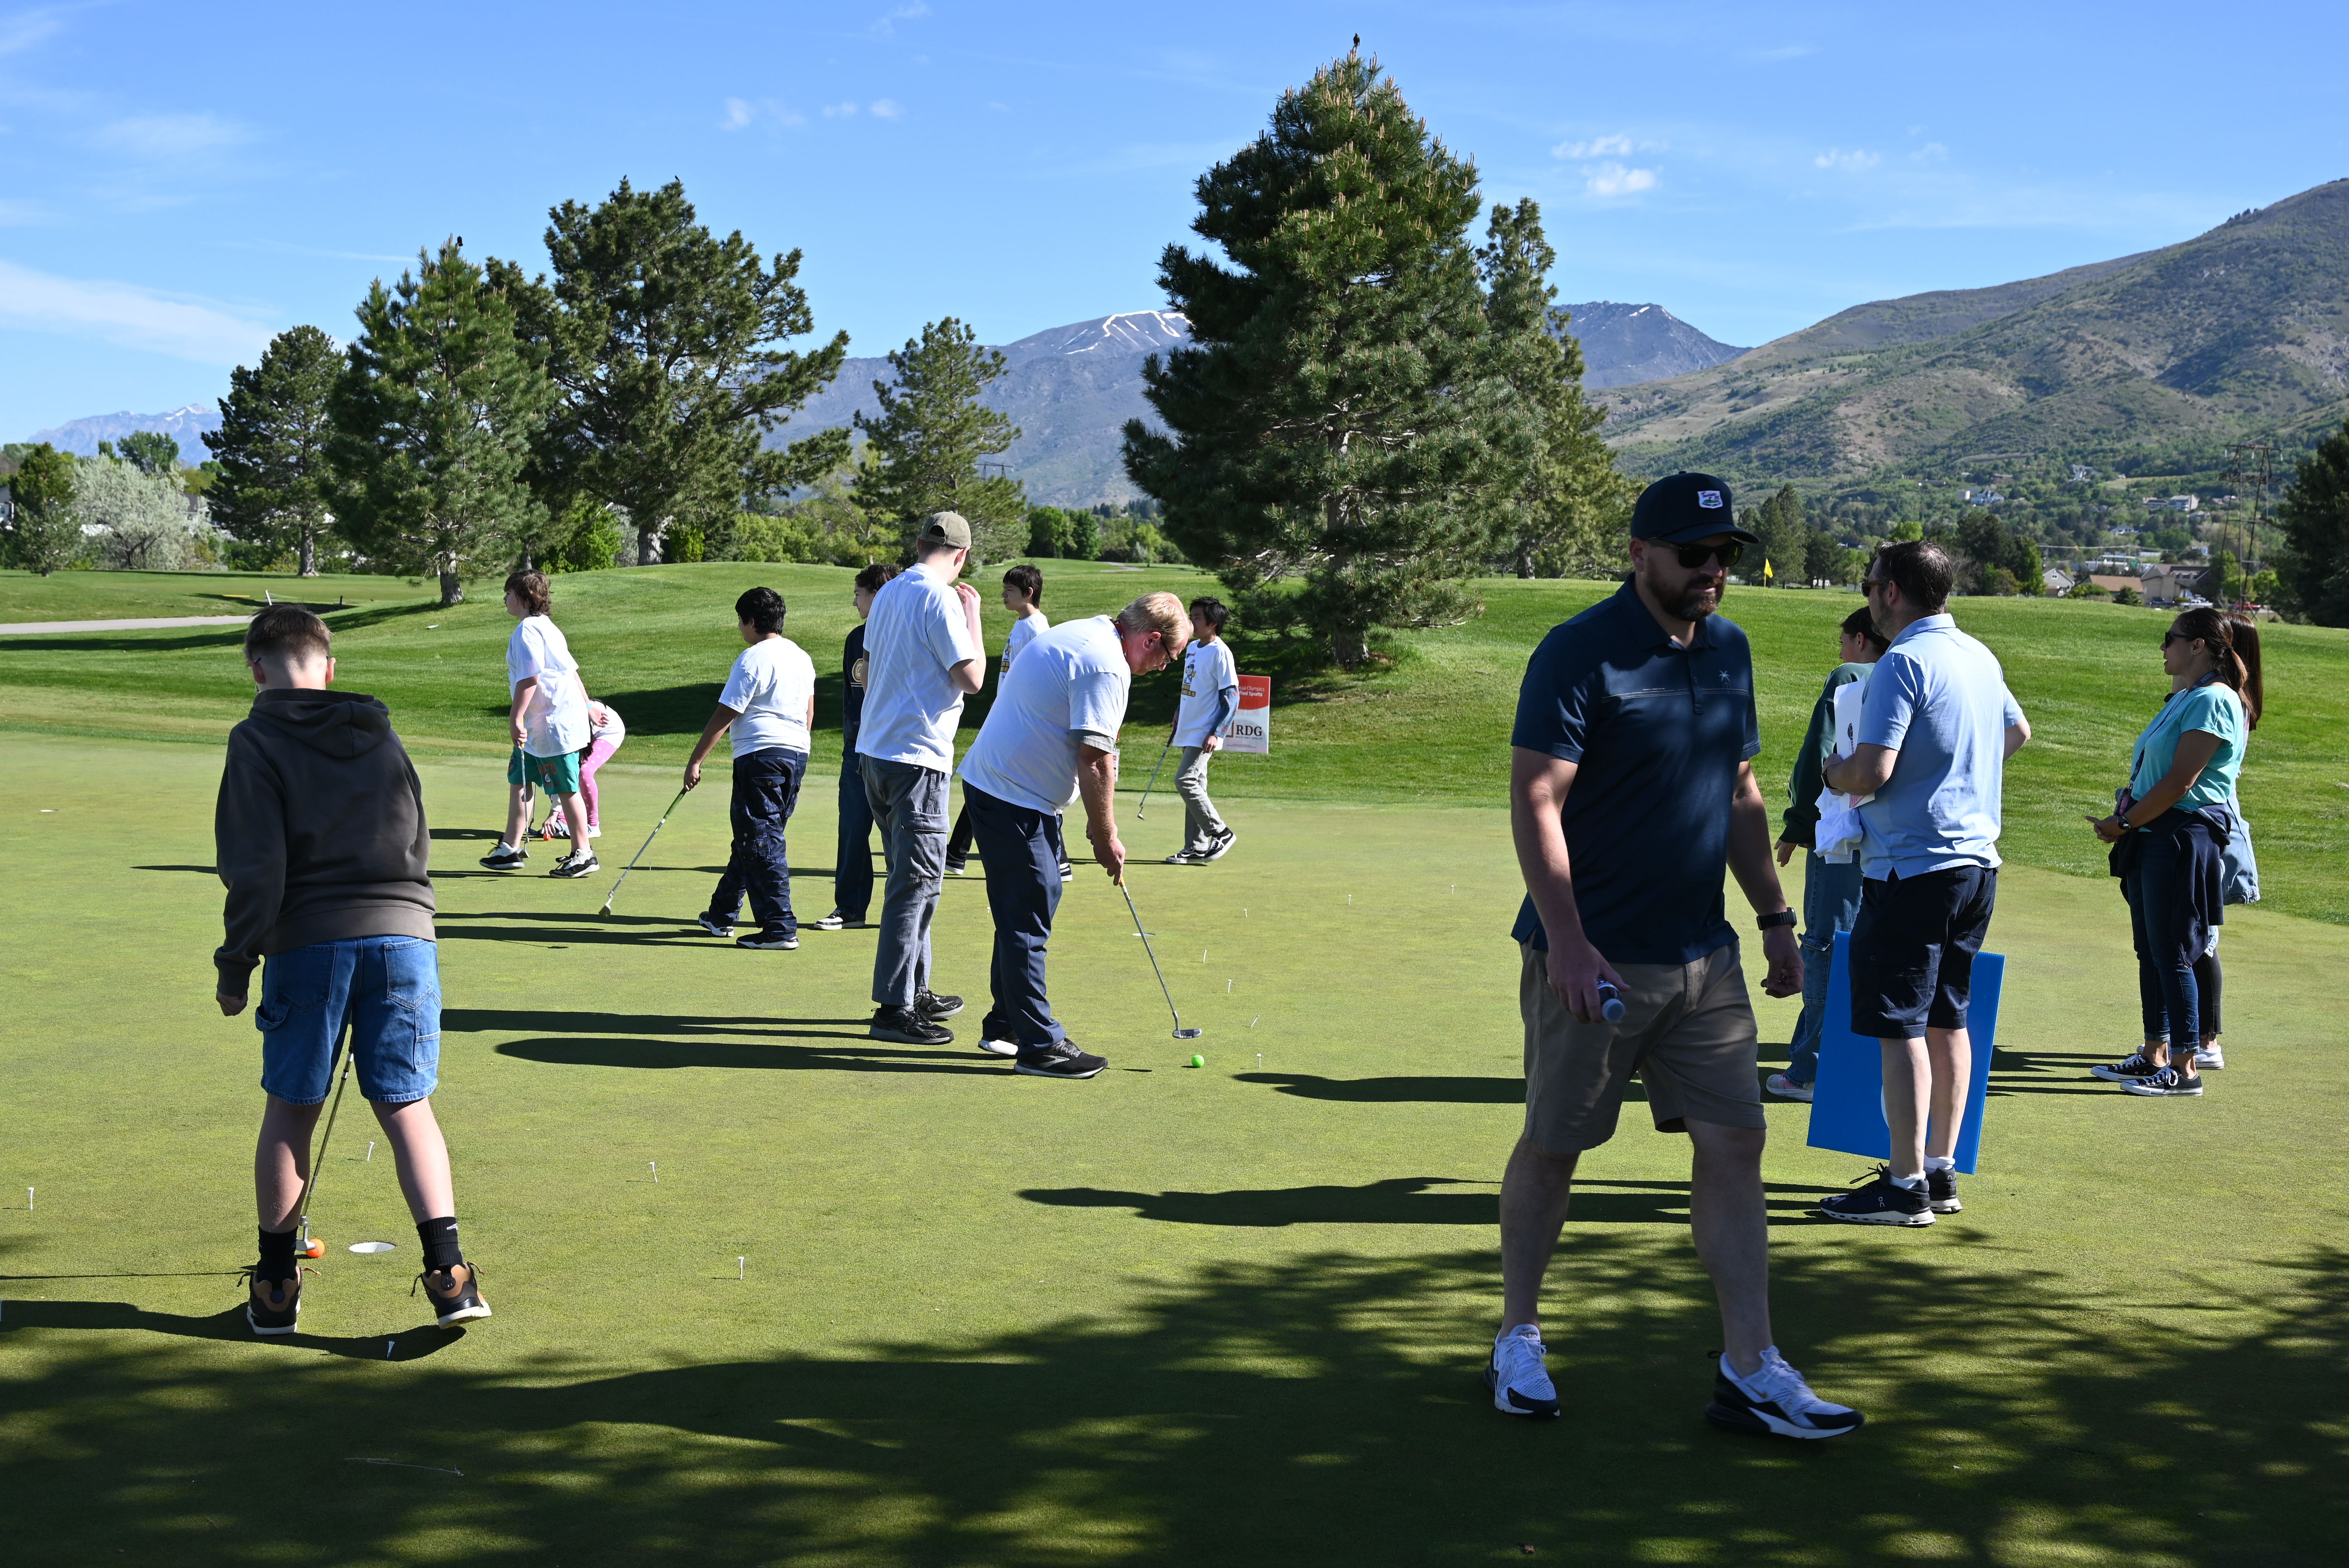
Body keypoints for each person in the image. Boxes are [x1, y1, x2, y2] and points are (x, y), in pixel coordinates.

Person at [1492, 471, 1861, 1441]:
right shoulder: (1580, 650)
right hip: (1597, 960)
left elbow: (1739, 787)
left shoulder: (1730, 648)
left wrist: (1777, 918)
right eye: (1693, 554)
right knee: (1556, 1144)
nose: (1712, 571)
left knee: (1736, 1143)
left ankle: (1749, 1363)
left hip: (1706, 956)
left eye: (1724, 555)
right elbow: (1537, 800)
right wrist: (1567, 940)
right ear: (1638, 553)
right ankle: (1518, 1333)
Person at [214, 606, 489, 1336]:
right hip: (407, 935)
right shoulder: (380, 733)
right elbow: (414, 834)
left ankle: (276, 1285)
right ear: (328, 667)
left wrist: (236, 963)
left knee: (291, 1108)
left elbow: (256, 870)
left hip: (310, 940)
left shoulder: (256, 737)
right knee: (406, 1106)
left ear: (257, 668)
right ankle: (451, 1273)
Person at [1818, 541, 2030, 1224]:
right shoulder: (1978, 654)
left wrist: (1833, 772)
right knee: (1948, 1017)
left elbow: (1870, 771)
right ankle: (1939, 1171)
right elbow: (2016, 732)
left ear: (1890, 592)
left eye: (1869, 582)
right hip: (1975, 866)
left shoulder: (1903, 660)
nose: (1868, 594)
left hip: (1913, 866)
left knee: (1901, 1023)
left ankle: (1905, 1185)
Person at [960, 592, 1190, 1077]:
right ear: (1151, 639)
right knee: (1028, 909)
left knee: (1024, 904)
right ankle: (1040, 1044)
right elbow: (1095, 758)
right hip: (1012, 794)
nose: (1166, 668)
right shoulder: (1106, 665)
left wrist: (1093, 820)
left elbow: (1087, 749)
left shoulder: (1089, 631)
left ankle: (1006, 1024)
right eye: (1170, 657)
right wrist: (1105, 834)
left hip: (1004, 786)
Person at [2085, 606, 2260, 1098]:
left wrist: (2123, 822)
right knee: (2151, 950)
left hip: (2182, 835)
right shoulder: (2186, 696)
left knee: (2173, 952)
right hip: (2153, 833)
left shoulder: (2213, 700)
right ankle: (2153, 1053)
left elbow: (2181, 780)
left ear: (2199, 645)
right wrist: (2129, 822)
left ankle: (2184, 1068)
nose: (2163, 647)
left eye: (2171, 638)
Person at [859, 512, 987, 1044]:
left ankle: (916, 988)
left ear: (919, 545)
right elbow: (973, 677)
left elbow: (865, 668)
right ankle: (893, 1008)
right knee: (916, 885)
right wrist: (974, 615)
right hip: (916, 758)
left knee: (910, 878)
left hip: (878, 752)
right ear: (961, 557)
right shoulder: (941, 597)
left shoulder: (888, 593)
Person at [1766, 607, 1888, 1101]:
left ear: (1861, 639)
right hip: (1898, 839)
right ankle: (1861, 1064)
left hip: (1842, 834)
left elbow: (1818, 754)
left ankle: (1811, 1070)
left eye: (1843, 640)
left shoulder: (1851, 675)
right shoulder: (1923, 670)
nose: (1839, 651)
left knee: (1825, 943)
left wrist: (1797, 824)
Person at [683, 587, 818, 951]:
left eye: (741, 621)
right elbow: (809, 711)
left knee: (760, 839)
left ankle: (779, 927)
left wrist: (696, 759)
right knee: (756, 837)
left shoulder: (752, 658)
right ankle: (721, 914)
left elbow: (727, 712)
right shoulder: (801, 657)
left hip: (760, 756)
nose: (740, 628)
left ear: (752, 621)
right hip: (795, 754)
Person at [945, 565, 1063, 878]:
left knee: (981, 775)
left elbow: (1041, 679)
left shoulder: (1038, 629)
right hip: (1006, 714)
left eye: (1010, 591)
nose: (1003, 595)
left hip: (1020, 721)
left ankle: (1058, 859)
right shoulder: (1022, 625)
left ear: (1029, 594)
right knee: (980, 776)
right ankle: (956, 853)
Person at [481, 570, 597, 878]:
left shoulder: (528, 631)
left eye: (508, 594)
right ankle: (510, 847)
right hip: (539, 729)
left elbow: (530, 677)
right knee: (520, 780)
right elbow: (571, 672)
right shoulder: (547, 628)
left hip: (551, 727)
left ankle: (584, 853)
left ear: (523, 598)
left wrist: (515, 717)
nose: (505, 599)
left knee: (566, 788)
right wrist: (588, 706)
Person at [2189, 613, 2265, 1072]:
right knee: (2200, 935)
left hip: (2212, 828)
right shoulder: (2231, 698)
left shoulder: (2224, 700)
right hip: (2213, 824)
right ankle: (2195, 1036)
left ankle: (2207, 1039)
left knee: (2203, 938)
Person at [814, 562, 900, 932]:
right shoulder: (855, 639)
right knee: (852, 828)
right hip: (858, 751)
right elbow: (852, 702)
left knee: (899, 835)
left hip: (897, 752)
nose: (855, 602)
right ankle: (850, 908)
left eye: (859, 594)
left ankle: (901, 915)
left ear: (877, 595)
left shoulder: (905, 635)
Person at [1166, 596, 1240, 866]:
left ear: (1213, 624)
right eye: (1192, 616)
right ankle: (1196, 848)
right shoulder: (1194, 648)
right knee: (1196, 785)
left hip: (1204, 732)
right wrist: (1179, 709)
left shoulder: (1221, 653)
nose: (1192, 621)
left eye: (1197, 618)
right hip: (1189, 726)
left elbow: (1232, 698)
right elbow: (1191, 686)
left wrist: (1217, 733)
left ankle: (1221, 832)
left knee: (1185, 781)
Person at [544, 697, 624, 843]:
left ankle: (593, 826)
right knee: (550, 769)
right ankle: (563, 821)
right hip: (585, 732)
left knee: (584, 771)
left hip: (609, 731)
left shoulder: (570, 716)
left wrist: (553, 813)